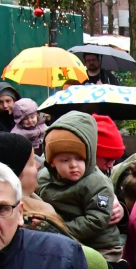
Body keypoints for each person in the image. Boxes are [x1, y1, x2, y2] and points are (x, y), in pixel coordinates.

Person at [37, 111, 123, 261]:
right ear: (52, 163)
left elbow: (97, 219)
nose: (73, 165)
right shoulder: (43, 178)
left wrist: (59, 229)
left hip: (101, 246)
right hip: (67, 241)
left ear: (88, 156)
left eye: (79, 159)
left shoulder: (96, 182)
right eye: (65, 160)